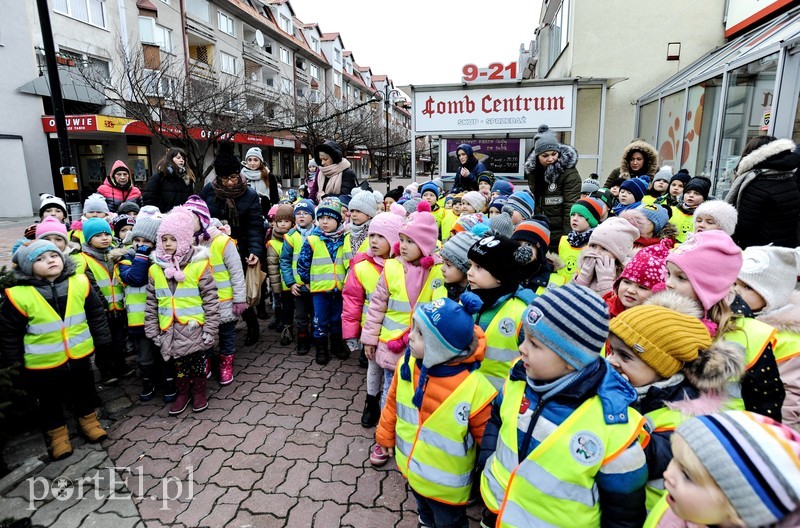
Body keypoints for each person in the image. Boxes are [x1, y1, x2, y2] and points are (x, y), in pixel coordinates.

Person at [479, 283, 649, 528]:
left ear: (572, 361)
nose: (522, 348)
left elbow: (623, 509)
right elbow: (497, 419)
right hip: (498, 504)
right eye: (524, 337)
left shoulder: (613, 424)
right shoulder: (518, 377)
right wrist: (488, 460)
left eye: (535, 344)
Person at [607, 298, 743, 510]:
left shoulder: (685, 418)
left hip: (649, 512)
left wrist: (614, 401)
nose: (612, 361)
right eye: (612, 351)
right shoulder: (635, 386)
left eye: (625, 356)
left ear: (662, 368)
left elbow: (645, 459)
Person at [374, 297, 497, 526]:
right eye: (413, 328)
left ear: (441, 348)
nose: (409, 336)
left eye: (420, 334)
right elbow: (392, 403)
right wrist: (384, 435)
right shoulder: (407, 365)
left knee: (448, 522)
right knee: (424, 511)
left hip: (447, 489)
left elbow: (488, 443)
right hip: (413, 470)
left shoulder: (475, 388)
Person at [0, 240, 111, 460]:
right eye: (39, 259)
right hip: (43, 361)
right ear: (26, 267)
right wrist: (14, 362)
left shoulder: (80, 282)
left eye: (53, 255)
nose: (49, 261)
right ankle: (58, 435)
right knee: (49, 399)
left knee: (83, 390)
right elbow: (9, 333)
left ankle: (88, 422)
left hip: (78, 354)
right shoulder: (19, 295)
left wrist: (103, 341)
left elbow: (96, 314)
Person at [665, 230, 785, 420]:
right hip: (663, 433)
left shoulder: (750, 335)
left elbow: (766, 403)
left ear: (709, 285)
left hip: (725, 434)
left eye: (681, 277)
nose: (668, 283)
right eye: (668, 274)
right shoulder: (661, 318)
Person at [361, 201, 447, 433]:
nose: (404, 246)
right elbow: (376, 307)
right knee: (391, 391)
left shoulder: (438, 271)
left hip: (423, 348)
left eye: (411, 241)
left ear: (426, 244)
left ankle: (409, 432)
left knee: (418, 391)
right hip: (391, 343)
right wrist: (370, 338)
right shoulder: (391, 268)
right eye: (403, 240)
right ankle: (386, 430)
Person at [645, 411, 800, 528]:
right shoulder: (681, 504)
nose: (668, 473)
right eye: (675, 459)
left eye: (687, 475)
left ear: (739, 510)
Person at [145, 206, 220, 415]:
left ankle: (199, 392)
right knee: (178, 365)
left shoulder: (198, 265)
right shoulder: (154, 269)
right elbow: (151, 302)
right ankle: (182, 393)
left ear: (185, 240)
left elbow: (211, 299)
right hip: (169, 327)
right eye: (164, 239)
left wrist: (210, 329)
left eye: (173, 239)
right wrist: (152, 330)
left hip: (193, 326)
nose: (168, 244)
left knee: (196, 363)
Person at [199, 142, 265, 346]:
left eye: (233, 177)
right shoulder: (208, 192)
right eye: (225, 178)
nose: (229, 182)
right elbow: (201, 221)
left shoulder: (249, 194)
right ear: (218, 177)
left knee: (240, 288)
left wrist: (255, 250)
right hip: (216, 250)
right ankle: (224, 323)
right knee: (217, 288)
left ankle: (251, 324)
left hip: (242, 247)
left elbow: (255, 226)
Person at [343, 210, 404, 427]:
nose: (374, 241)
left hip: (397, 332)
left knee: (394, 370)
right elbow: (352, 301)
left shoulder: (406, 267)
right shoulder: (361, 266)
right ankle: (371, 401)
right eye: (371, 236)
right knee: (374, 367)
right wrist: (351, 333)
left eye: (381, 236)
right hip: (371, 329)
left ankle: (394, 407)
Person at [183, 195, 247, 385]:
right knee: (204, 336)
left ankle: (226, 364)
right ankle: (208, 361)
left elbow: (236, 271)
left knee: (227, 335)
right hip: (200, 302)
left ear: (201, 219)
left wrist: (239, 298)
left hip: (224, 300)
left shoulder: (222, 241)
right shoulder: (186, 243)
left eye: (190, 218)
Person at [736, 245, 800, 430]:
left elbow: (792, 394)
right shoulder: (745, 316)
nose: (737, 291)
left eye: (747, 287)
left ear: (772, 295)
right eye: (734, 284)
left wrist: (781, 433)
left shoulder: (788, 339)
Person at [114, 215, 172, 402]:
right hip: (139, 320)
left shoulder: (162, 262)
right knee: (144, 356)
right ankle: (148, 382)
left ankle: (168, 383)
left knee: (164, 352)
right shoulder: (125, 260)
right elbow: (136, 278)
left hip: (161, 318)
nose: (141, 245)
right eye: (137, 240)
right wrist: (141, 256)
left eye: (146, 241)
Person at [467, 235, 536, 390]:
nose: (469, 272)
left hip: (502, 400)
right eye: (470, 265)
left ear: (500, 275)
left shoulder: (522, 312)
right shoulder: (467, 300)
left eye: (478, 267)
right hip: (465, 396)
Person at [74, 217, 131, 384]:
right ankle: (106, 371)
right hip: (100, 311)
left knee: (119, 340)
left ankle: (121, 366)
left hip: (119, 307)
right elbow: (87, 284)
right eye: (98, 235)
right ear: (88, 238)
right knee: (103, 343)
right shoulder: (82, 259)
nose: (105, 238)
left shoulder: (117, 254)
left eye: (107, 234)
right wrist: (101, 304)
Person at [725, 136, 800, 249]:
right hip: (785, 248)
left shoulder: (756, 183)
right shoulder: (790, 178)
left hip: (758, 251)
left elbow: (745, 227)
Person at [297, 198, 347, 365]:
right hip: (319, 290)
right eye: (322, 218)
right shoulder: (312, 239)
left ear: (338, 220)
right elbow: (302, 263)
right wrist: (306, 281)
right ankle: (321, 347)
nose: (325, 222)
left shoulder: (344, 239)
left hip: (339, 288)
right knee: (320, 319)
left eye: (330, 218)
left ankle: (336, 344)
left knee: (337, 318)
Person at [524, 124, 582, 250]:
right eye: (545, 156)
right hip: (542, 231)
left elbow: (570, 208)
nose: (551, 159)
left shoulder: (569, 173)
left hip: (561, 234)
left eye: (554, 154)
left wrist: (567, 238)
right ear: (537, 156)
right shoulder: (535, 173)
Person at [281, 199, 317, 355]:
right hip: (298, 286)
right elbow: (285, 261)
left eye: (305, 213)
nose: (301, 216)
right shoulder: (290, 237)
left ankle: (317, 337)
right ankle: (302, 338)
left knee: (316, 314)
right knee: (301, 315)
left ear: (313, 217)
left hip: (316, 285)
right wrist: (290, 283)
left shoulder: (319, 233)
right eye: (298, 214)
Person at [604, 239, 673, 318]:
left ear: (658, 293)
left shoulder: (654, 320)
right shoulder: (606, 306)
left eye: (642, 287)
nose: (630, 290)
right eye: (627, 282)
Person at [574, 216, 639, 296]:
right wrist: (582, 279)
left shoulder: (627, 278)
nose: (596, 252)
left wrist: (606, 284)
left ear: (619, 255)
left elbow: (615, 306)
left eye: (604, 249)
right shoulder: (584, 265)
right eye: (593, 246)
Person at [266, 204, 296, 346]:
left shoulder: (298, 237)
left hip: (299, 282)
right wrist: (276, 287)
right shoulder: (273, 241)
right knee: (287, 308)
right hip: (284, 284)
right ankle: (287, 328)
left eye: (286, 221)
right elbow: (272, 266)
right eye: (279, 221)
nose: (283, 224)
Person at [558, 197, 604, 281]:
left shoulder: (596, 245)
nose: (574, 218)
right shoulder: (564, 240)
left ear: (591, 220)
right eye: (573, 214)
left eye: (581, 215)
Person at [143, 147, 194, 213]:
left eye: (183, 158)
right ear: (170, 159)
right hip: (162, 218)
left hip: (182, 218)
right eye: (178, 158)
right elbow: (149, 199)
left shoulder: (187, 179)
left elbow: (190, 200)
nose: (182, 160)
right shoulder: (159, 177)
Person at [344, 188, 381, 265]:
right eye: (352, 210)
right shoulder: (347, 232)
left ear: (369, 214)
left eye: (358, 211)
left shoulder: (374, 233)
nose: (354, 214)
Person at [241, 146, 280, 218]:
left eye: (255, 160)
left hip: (265, 212)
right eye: (249, 160)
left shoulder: (269, 176)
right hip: (246, 213)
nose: (252, 163)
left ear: (260, 161)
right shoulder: (241, 175)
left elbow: (275, 198)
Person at [440, 231, 478, 302]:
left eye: (448, 265)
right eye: (443, 262)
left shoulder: (474, 298)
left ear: (466, 267)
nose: (442, 268)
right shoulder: (442, 288)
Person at [671, 176, 711, 243]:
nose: (691, 195)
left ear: (704, 198)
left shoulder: (706, 216)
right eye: (688, 192)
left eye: (697, 193)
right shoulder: (671, 210)